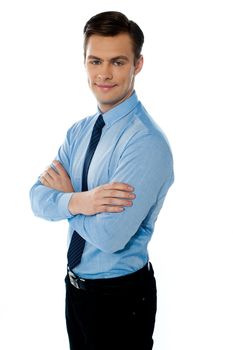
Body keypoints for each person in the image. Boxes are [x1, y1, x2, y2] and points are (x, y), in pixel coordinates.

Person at [30, 11, 174, 350]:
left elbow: (110, 237)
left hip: (119, 298)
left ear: (137, 64)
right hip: (76, 289)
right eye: (95, 61)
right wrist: (82, 201)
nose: (104, 73)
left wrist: (64, 201)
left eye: (118, 62)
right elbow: (36, 197)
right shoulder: (79, 132)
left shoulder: (145, 144)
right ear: (85, 63)